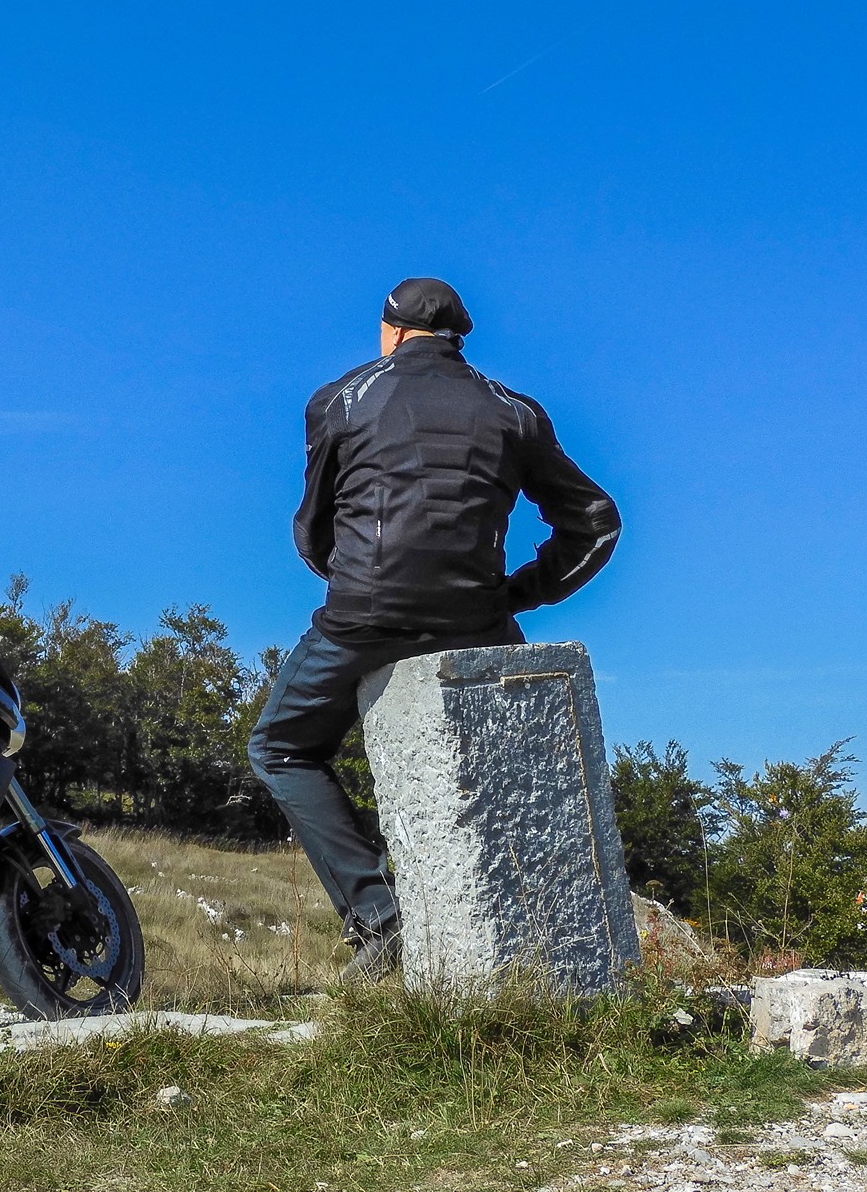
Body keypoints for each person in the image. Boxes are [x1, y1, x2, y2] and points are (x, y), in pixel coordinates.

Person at [247, 277, 621, 982]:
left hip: (362, 614)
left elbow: (312, 528)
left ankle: (379, 918)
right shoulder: (514, 410)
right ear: (458, 337)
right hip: (475, 616)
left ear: (391, 331)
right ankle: (553, 935)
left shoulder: (341, 399)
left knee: (280, 747)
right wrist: (521, 592)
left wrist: (357, 580)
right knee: (523, 757)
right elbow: (596, 523)